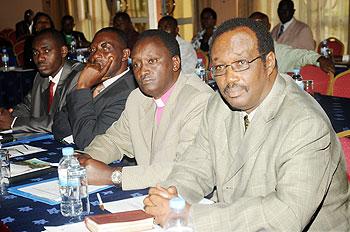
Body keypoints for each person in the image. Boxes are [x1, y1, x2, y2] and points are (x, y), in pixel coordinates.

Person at [144, 18, 349, 231]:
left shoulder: (305, 124)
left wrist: (188, 214)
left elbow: (286, 214)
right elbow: (196, 166)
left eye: (241, 63)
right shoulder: (219, 103)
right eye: (220, 67)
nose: (229, 78)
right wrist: (169, 197)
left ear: (268, 63)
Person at [76, 30, 213, 190]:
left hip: (192, 201)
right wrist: (85, 160)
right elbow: (114, 140)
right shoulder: (138, 98)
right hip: (151, 193)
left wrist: (113, 176)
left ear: (175, 63)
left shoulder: (200, 100)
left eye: (152, 61)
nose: (143, 71)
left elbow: (184, 169)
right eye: (136, 64)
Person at [52, 27, 137, 149]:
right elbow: (58, 123)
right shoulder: (93, 81)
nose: (95, 55)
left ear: (125, 55)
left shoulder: (130, 91)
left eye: (106, 48)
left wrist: (83, 87)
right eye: (92, 50)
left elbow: (89, 142)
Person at [0, 29, 83, 132]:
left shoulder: (79, 76)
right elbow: (27, 106)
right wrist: (6, 117)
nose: (39, 58)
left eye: (46, 51)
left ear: (63, 51)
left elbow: (64, 121)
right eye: (35, 52)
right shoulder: (41, 76)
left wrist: (14, 122)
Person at [249, 11, 334, 74]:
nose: (256, 29)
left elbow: (301, 55)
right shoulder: (239, 48)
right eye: (252, 25)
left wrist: (319, 59)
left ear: (268, 27)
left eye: (260, 25)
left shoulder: (277, 50)